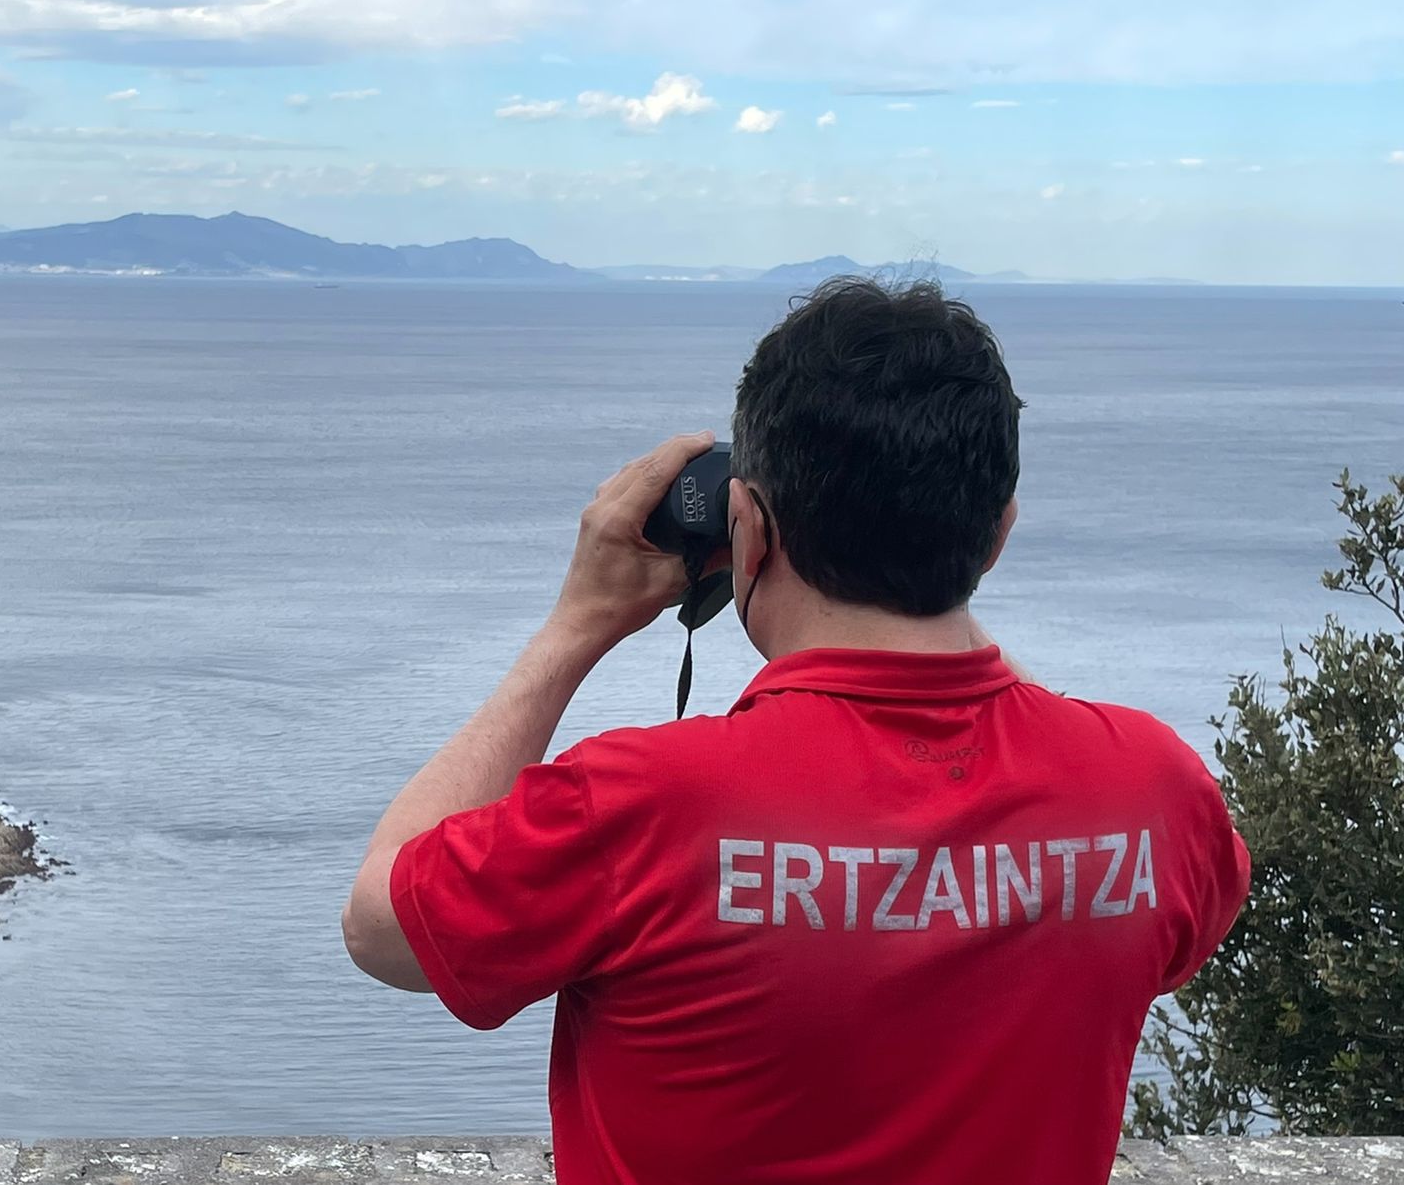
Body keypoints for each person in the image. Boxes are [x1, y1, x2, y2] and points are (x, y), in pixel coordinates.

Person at [340, 278, 1250, 1185]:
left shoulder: (638, 807)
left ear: (748, 527)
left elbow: (383, 927)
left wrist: (578, 622)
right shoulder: (1153, 793)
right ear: (998, 536)